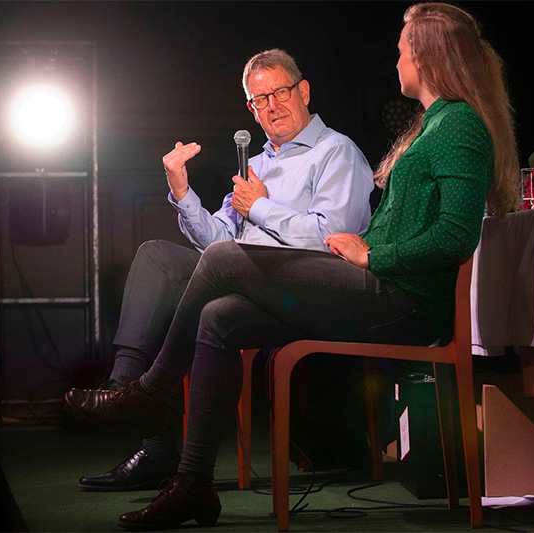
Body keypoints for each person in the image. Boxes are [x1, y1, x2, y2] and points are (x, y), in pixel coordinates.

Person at [65, 2, 520, 529]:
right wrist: (185, 194)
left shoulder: (453, 127)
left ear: (429, 55)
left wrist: (374, 253)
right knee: (219, 316)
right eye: (259, 99)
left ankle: (146, 393)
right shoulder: (435, 124)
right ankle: (192, 482)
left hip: (402, 300)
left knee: (222, 260)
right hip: (364, 286)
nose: (395, 60)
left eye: (401, 50)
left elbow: (456, 236)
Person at [69, 48, 374, 492]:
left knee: (209, 294)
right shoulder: (257, 164)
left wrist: (263, 208)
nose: (271, 106)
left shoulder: (336, 152)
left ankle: (138, 408)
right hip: (241, 279)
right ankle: (129, 394)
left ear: (303, 91)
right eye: (259, 99)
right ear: (250, 109)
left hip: (308, 292)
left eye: (280, 92)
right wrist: (182, 191)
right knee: (157, 256)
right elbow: (217, 242)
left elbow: (335, 240)